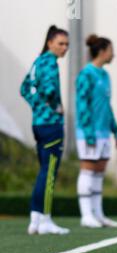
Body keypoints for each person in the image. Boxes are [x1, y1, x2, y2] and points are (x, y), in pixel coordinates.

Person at [20, 25, 70, 235]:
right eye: (61, 43)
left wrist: (38, 107)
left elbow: (24, 88)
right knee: (49, 174)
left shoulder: (37, 61)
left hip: (38, 124)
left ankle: (36, 219)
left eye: (67, 44)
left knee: (43, 172)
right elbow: (49, 89)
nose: (64, 48)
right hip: (51, 125)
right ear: (50, 43)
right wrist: (55, 107)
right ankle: (46, 219)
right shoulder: (50, 62)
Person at [75, 34, 117, 228]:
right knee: (88, 169)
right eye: (111, 50)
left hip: (103, 132)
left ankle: (98, 214)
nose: (114, 54)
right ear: (102, 52)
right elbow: (82, 104)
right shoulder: (86, 74)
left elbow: (106, 105)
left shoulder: (105, 75)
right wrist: (88, 132)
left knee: (99, 172)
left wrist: (115, 130)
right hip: (89, 132)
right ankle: (86, 215)